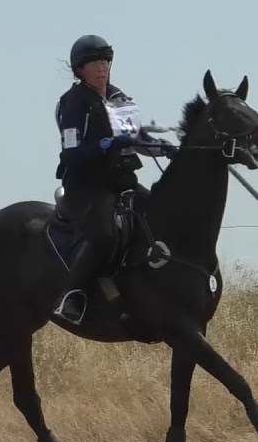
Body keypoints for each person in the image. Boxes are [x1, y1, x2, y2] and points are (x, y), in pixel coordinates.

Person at [52, 34, 178, 324]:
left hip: (122, 181)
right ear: (79, 69)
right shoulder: (73, 104)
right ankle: (71, 296)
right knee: (104, 235)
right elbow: (72, 155)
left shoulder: (120, 99)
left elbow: (136, 139)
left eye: (105, 62)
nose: (102, 68)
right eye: (95, 63)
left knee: (160, 216)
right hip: (87, 186)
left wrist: (164, 148)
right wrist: (105, 145)